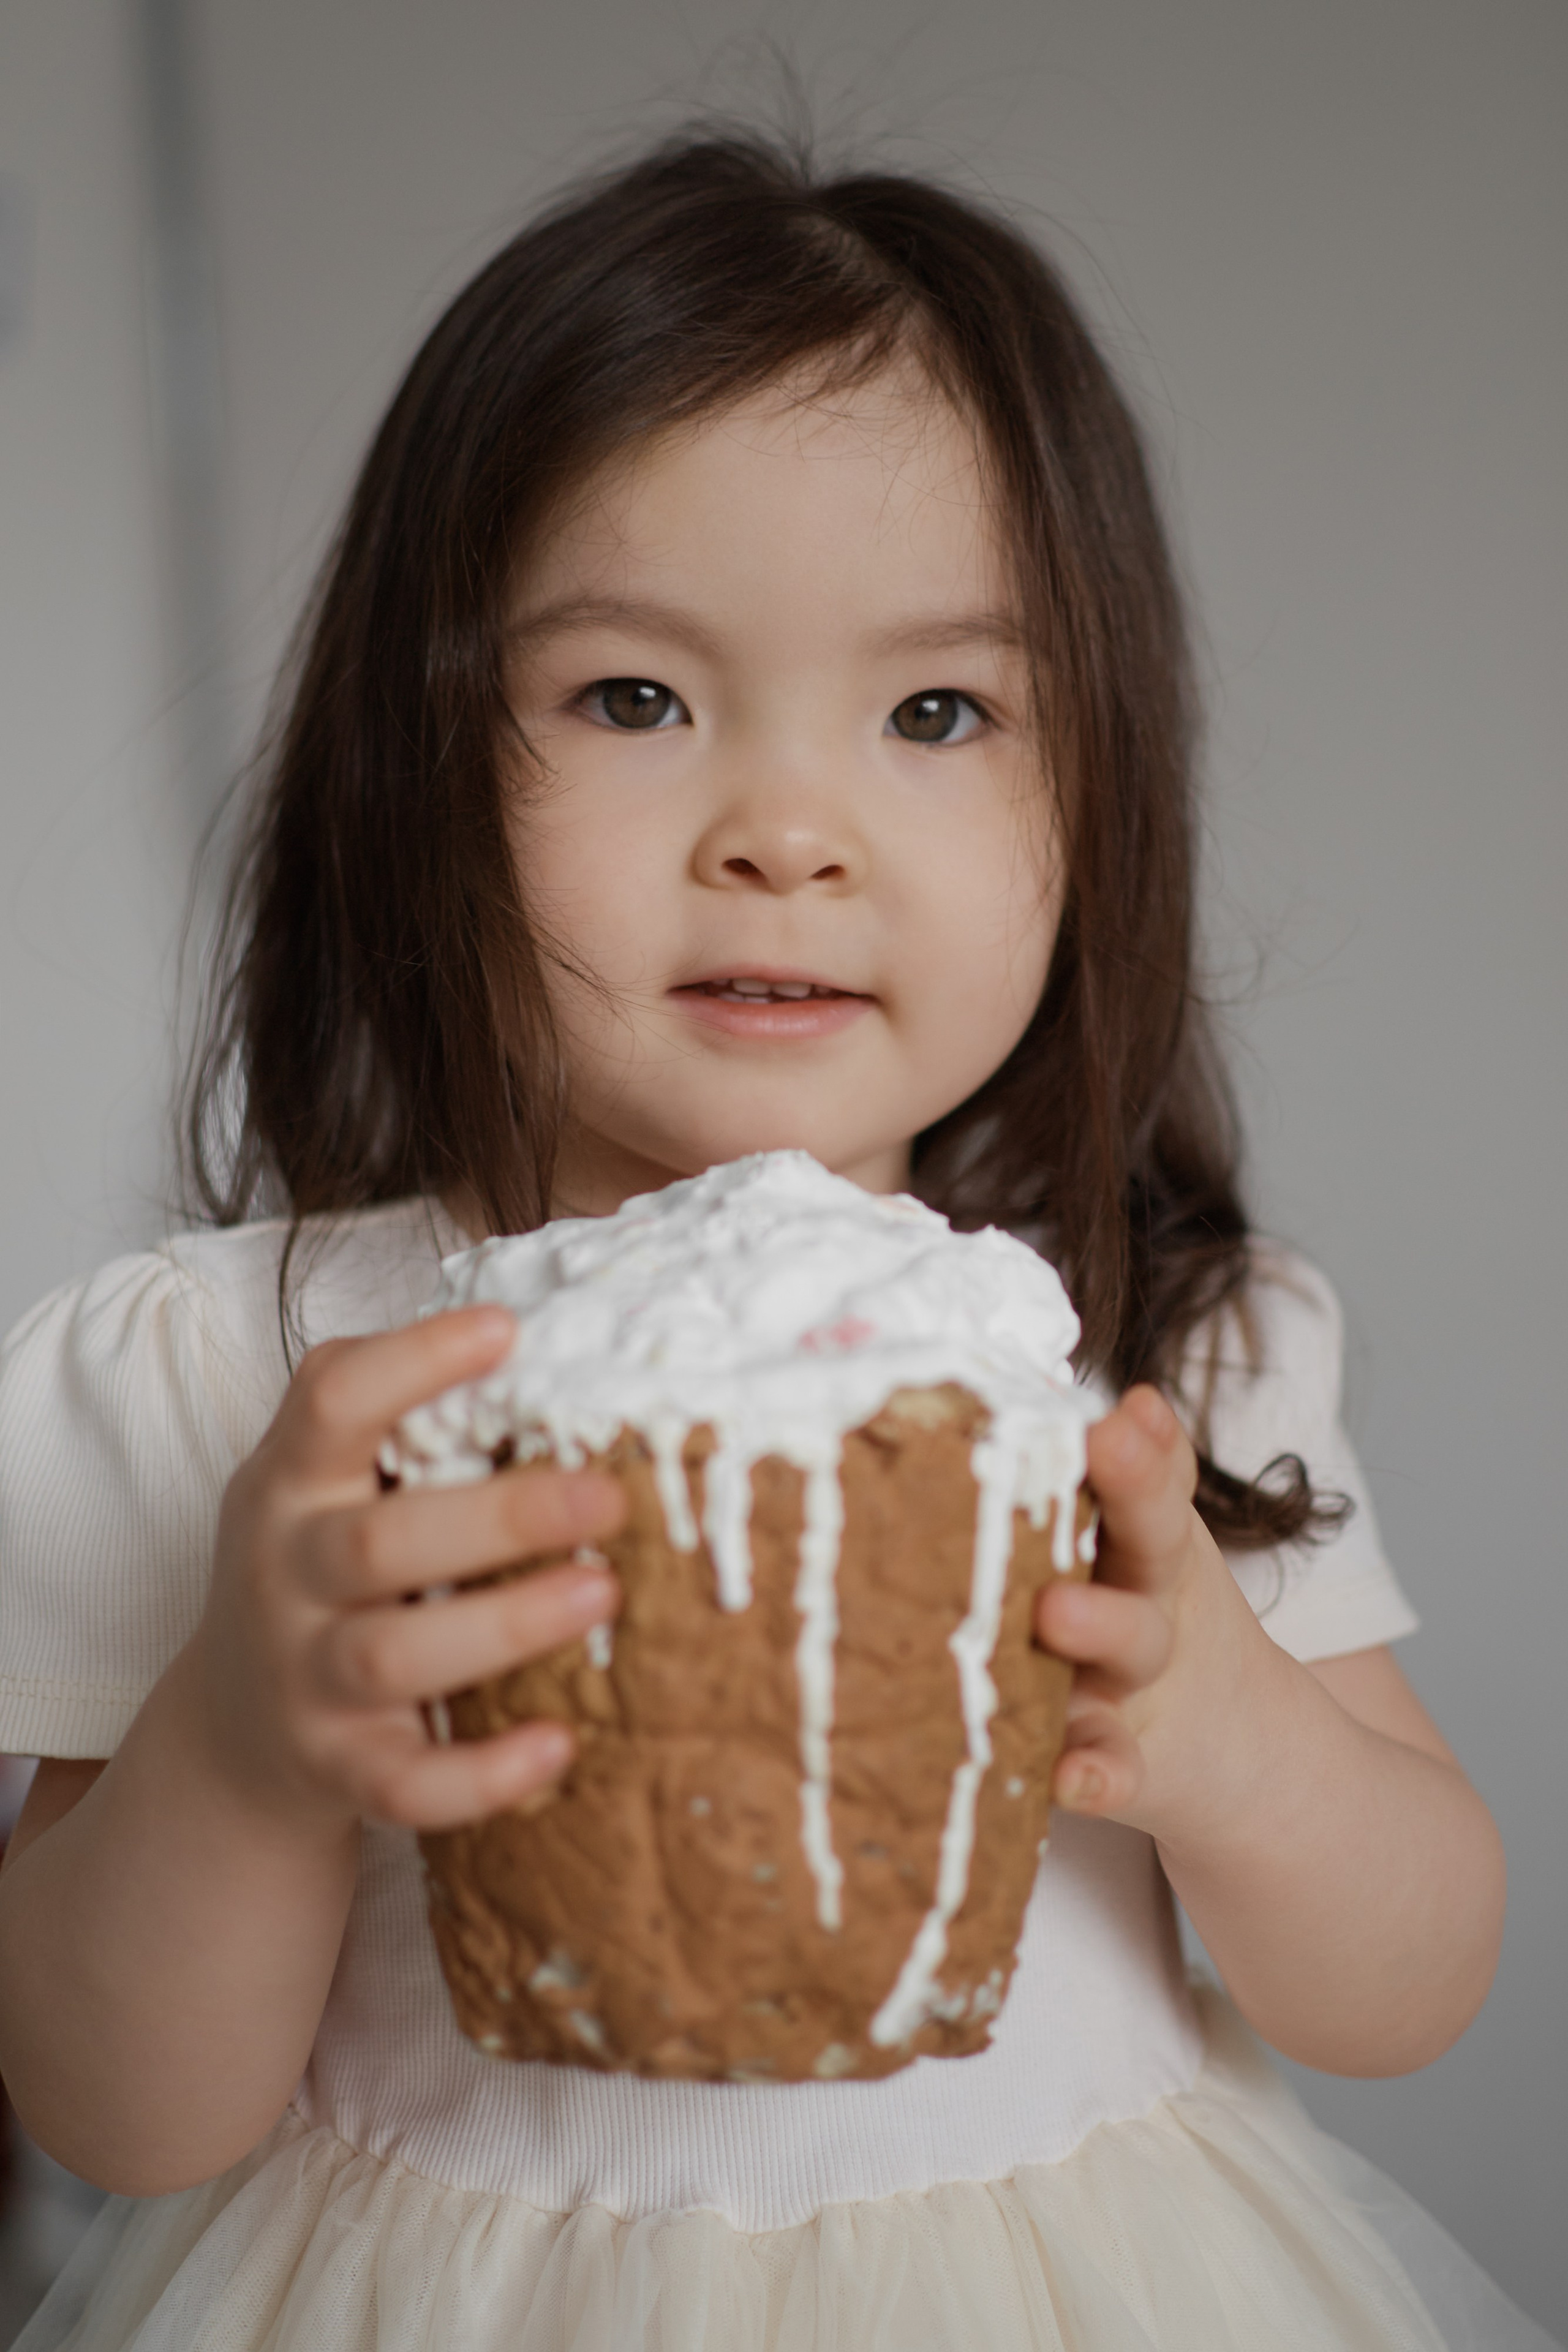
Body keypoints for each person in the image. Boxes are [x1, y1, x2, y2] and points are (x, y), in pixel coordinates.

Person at [0, 132, 1554, 2352]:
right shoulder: (235, 1376)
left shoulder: (1162, 1358)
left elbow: (1417, 1981)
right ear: (416, 761)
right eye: (634, 699)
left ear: (1099, 797)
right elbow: (111, 2108)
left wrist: (1229, 1732)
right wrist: (242, 1743)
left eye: (938, 713)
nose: (786, 839)